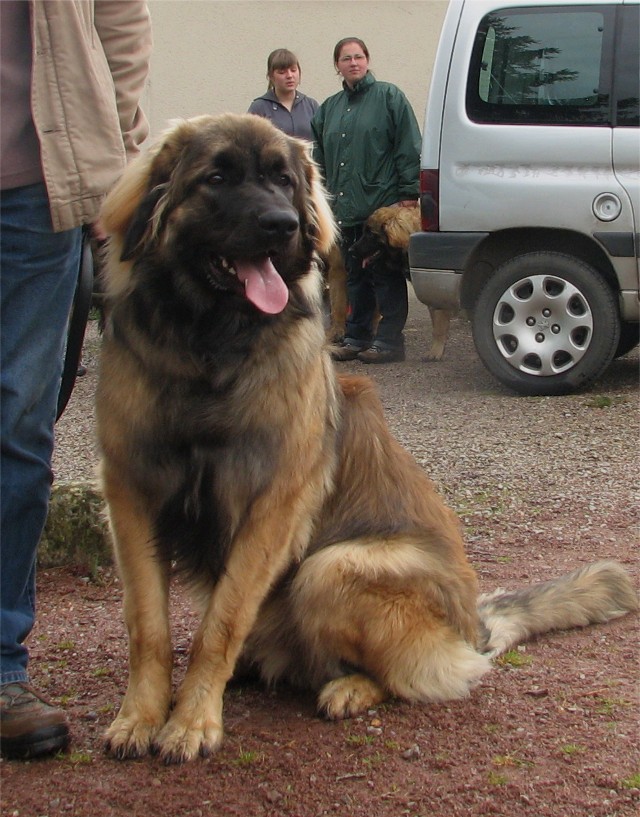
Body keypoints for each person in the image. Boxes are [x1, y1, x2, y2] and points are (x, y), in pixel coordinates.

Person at [0, 0, 152, 760]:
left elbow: (119, 22)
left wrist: (115, 166)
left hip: (37, 192)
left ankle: (1, 669)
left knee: (19, 425)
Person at [312, 37, 421, 364]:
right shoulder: (328, 109)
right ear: (337, 66)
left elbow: (408, 146)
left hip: (381, 211)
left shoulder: (389, 97)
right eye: (346, 58)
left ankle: (389, 342)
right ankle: (356, 337)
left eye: (358, 57)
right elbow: (318, 161)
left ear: (368, 60)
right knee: (353, 276)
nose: (353, 63)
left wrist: (408, 194)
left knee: (385, 277)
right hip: (343, 210)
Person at [248, 48, 319, 141]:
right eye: (282, 72)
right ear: (271, 76)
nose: (289, 76)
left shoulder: (311, 105)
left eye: (293, 70)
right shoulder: (259, 107)